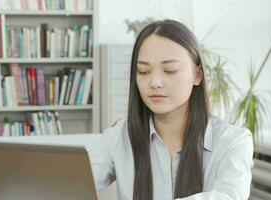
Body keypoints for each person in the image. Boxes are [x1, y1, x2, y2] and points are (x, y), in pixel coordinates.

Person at [88, 19, 254, 200]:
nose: (155, 83)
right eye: (143, 71)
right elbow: (68, 180)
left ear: (197, 75)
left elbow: (229, 196)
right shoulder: (118, 137)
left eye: (170, 70)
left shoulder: (232, 141)